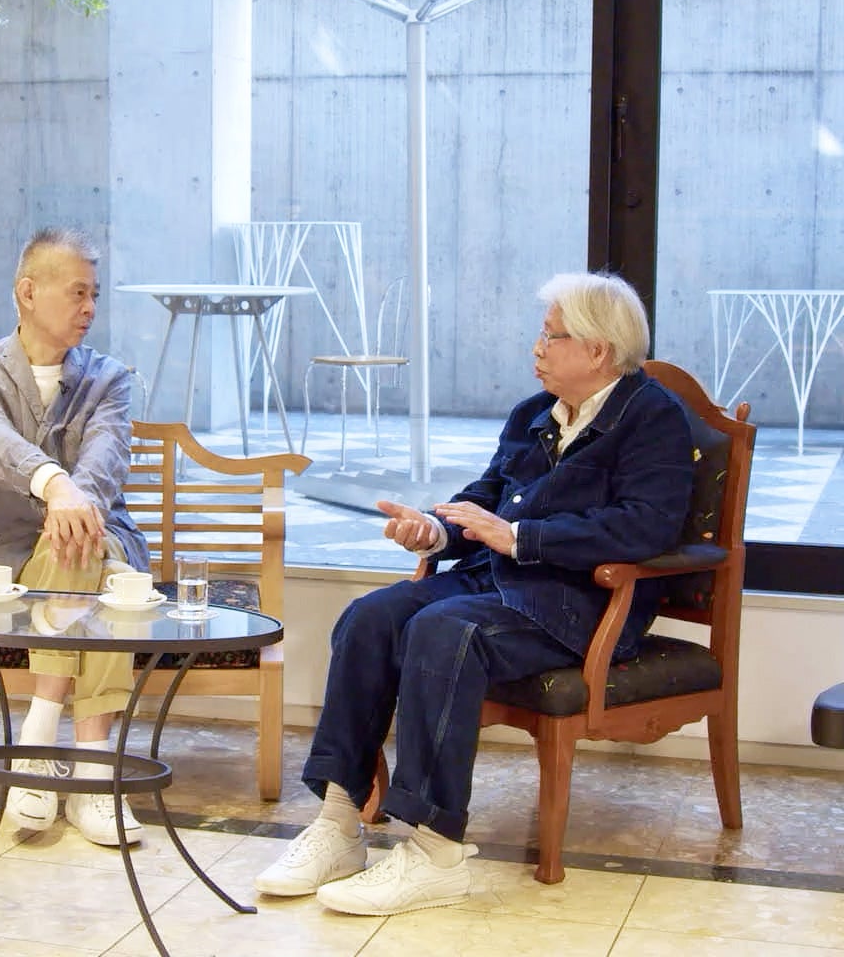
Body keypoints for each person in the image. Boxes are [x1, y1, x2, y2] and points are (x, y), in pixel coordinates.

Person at [254, 271, 695, 915]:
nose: (537, 348)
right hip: (497, 585)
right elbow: (486, 501)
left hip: (583, 605)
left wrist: (521, 538)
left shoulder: (653, 418)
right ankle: (339, 823)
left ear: (598, 350)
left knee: (445, 631)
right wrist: (435, 531)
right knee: (371, 617)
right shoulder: (533, 414)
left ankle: (434, 853)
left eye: (551, 336)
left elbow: (645, 526)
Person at [0, 226, 149, 847]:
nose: (90, 308)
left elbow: (107, 458)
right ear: (28, 292)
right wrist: (54, 484)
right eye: (78, 292)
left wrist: (75, 500)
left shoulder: (109, 378)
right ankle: (94, 773)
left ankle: (36, 748)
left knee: (80, 543)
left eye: (95, 295)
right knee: (107, 577)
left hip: (92, 540)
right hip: (1, 568)